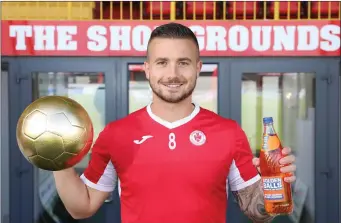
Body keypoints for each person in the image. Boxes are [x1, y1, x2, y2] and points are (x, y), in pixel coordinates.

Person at [53, 22, 296, 223]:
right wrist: (56, 158)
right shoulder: (116, 134)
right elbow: (81, 207)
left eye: (183, 62)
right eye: (162, 62)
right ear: (147, 69)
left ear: (198, 68)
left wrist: (274, 189)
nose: (173, 74)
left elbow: (255, 209)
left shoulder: (228, 132)